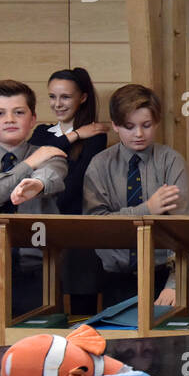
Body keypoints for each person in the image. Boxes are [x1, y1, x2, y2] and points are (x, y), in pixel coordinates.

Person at [0, 81, 68, 314]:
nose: (10, 119)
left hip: (38, 278)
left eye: (19, 112)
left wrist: (36, 183)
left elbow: (51, 176)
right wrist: (27, 165)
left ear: (33, 119)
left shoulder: (50, 155)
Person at [82, 84, 189, 308]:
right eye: (129, 127)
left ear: (157, 123)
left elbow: (184, 230)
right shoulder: (100, 165)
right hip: (116, 279)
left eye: (146, 125)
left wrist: (175, 284)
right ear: (115, 125)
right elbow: (96, 225)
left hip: (164, 278)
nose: (139, 134)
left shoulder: (171, 161)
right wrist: (147, 210)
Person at [28, 68, 109, 318]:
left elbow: (76, 182)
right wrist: (74, 135)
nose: (57, 104)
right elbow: (33, 161)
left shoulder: (94, 135)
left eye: (65, 97)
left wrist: (79, 135)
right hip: (42, 225)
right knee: (42, 304)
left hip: (78, 226)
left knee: (81, 307)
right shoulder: (42, 133)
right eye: (52, 97)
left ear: (82, 97)